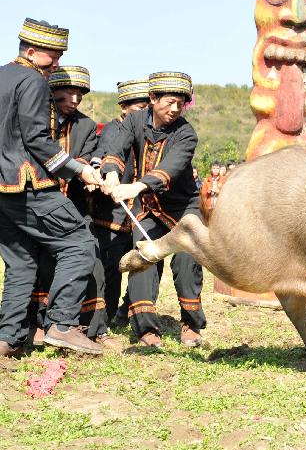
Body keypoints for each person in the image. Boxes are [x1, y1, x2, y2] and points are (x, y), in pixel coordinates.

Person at [0, 18, 104, 357]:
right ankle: (62, 325)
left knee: (20, 262)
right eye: (53, 56)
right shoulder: (33, 80)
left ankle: (8, 339)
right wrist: (79, 171)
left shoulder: (2, 76)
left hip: (1, 188)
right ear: (31, 51)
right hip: (27, 183)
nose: (57, 63)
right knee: (79, 242)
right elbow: (37, 140)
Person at [101, 72, 206, 348]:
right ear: (152, 98)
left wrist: (136, 187)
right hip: (147, 209)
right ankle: (147, 329)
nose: (174, 109)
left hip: (182, 209)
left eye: (180, 104)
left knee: (186, 262)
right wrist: (111, 172)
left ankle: (191, 325)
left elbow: (172, 167)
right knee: (144, 259)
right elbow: (115, 146)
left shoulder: (186, 133)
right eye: (169, 102)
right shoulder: (134, 120)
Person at [29, 66, 116, 349]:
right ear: (52, 92)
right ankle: (38, 323)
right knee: (39, 262)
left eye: (80, 94)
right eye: (69, 92)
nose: (75, 99)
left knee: (90, 258)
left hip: (76, 205)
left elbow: (91, 156)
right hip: (37, 201)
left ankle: (91, 326)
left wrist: (89, 173)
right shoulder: (37, 118)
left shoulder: (87, 125)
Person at [90, 78, 151, 325]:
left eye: (148, 109)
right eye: (139, 109)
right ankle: (103, 319)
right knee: (112, 269)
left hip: (140, 214)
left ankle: (129, 312)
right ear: (124, 108)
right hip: (113, 214)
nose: (144, 115)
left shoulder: (149, 132)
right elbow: (102, 158)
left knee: (146, 266)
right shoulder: (113, 131)